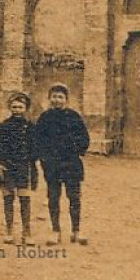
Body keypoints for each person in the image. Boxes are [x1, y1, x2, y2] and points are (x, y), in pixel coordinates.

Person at [34, 84, 90, 245]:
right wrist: (44, 158)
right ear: (49, 99)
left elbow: (84, 138)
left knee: (74, 197)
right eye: (54, 96)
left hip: (71, 164)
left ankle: (76, 230)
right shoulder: (45, 118)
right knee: (53, 197)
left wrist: (76, 151)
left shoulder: (74, 116)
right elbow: (38, 140)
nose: (57, 100)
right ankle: (55, 231)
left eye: (60, 97)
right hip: (52, 165)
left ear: (66, 99)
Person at [0, 92, 38, 246]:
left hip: (24, 167)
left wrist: (31, 161)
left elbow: (36, 147)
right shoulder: (3, 126)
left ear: (25, 108)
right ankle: (9, 231)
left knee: (25, 199)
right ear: (9, 108)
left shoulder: (30, 127)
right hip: (6, 166)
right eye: (14, 107)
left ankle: (27, 232)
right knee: (8, 198)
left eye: (20, 107)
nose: (17, 110)